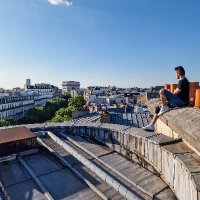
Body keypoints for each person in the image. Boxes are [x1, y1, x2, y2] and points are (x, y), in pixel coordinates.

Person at [142, 66, 190, 132]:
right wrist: (165, 100)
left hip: (181, 102)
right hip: (179, 101)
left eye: (176, 73)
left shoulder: (182, 82)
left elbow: (175, 94)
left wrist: (165, 97)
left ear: (178, 73)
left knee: (162, 90)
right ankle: (151, 125)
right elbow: (175, 94)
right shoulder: (184, 81)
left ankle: (164, 107)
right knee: (158, 108)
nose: (176, 75)